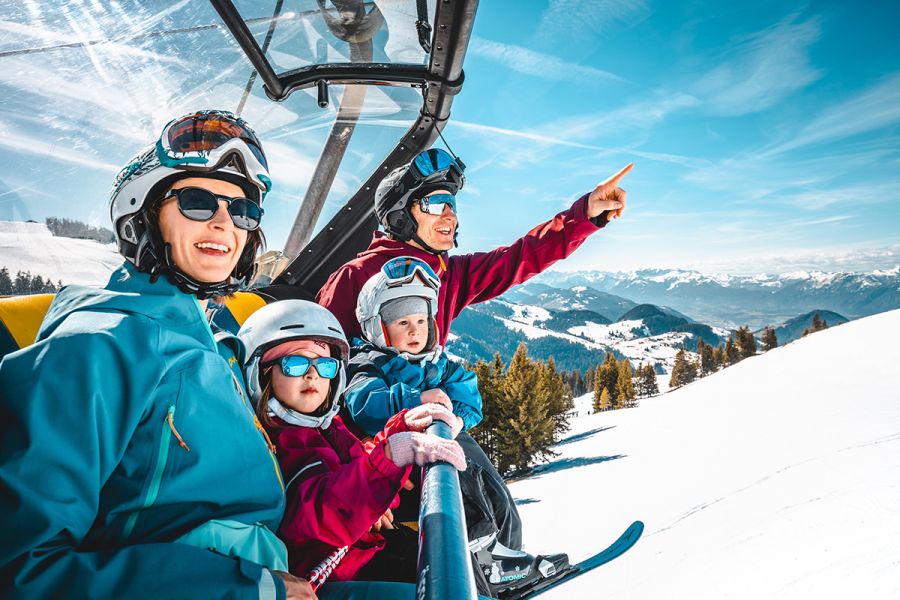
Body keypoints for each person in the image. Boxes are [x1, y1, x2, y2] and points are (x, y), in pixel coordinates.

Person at [0, 110, 315, 599]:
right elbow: (22, 569)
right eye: (196, 201)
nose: (224, 223)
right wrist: (242, 588)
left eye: (243, 212)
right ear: (144, 216)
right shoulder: (95, 348)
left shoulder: (216, 343)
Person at [344, 257, 569, 597]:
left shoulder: (435, 362)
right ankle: (487, 563)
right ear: (378, 326)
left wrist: (455, 418)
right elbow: (364, 404)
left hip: (451, 444)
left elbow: (467, 393)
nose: (415, 330)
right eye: (403, 322)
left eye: (421, 320)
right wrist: (418, 400)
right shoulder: (367, 362)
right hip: (409, 463)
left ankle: (507, 561)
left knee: (499, 501)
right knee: (466, 496)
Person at [237, 299, 466, 586]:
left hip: (366, 550)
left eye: (325, 365)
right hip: (334, 576)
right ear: (262, 372)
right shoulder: (278, 444)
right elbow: (321, 512)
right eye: (295, 363)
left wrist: (399, 429)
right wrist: (389, 457)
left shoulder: (327, 426)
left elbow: (358, 467)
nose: (312, 374)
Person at [316, 147, 633, 348]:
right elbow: (317, 364)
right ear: (400, 218)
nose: (450, 216)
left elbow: (522, 256)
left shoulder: (449, 274)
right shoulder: (354, 278)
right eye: (436, 204)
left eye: (451, 204)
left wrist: (585, 214)